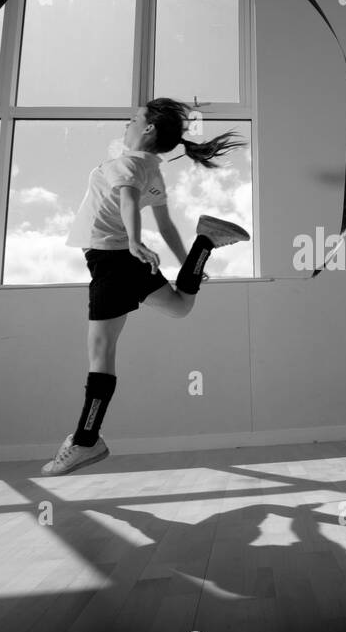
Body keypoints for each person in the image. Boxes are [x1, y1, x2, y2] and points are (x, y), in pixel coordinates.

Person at [42, 98, 250, 476]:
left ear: (149, 128)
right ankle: (208, 241)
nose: (127, 124)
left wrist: (136, 240)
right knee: (180, 306)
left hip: (111, 260)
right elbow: (167, 225)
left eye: (133, 119)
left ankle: (86, 441)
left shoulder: (127, 163)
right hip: (125, 259)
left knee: (101, 352)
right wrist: (190, 259)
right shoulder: (151, 169)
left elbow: (127, 199)